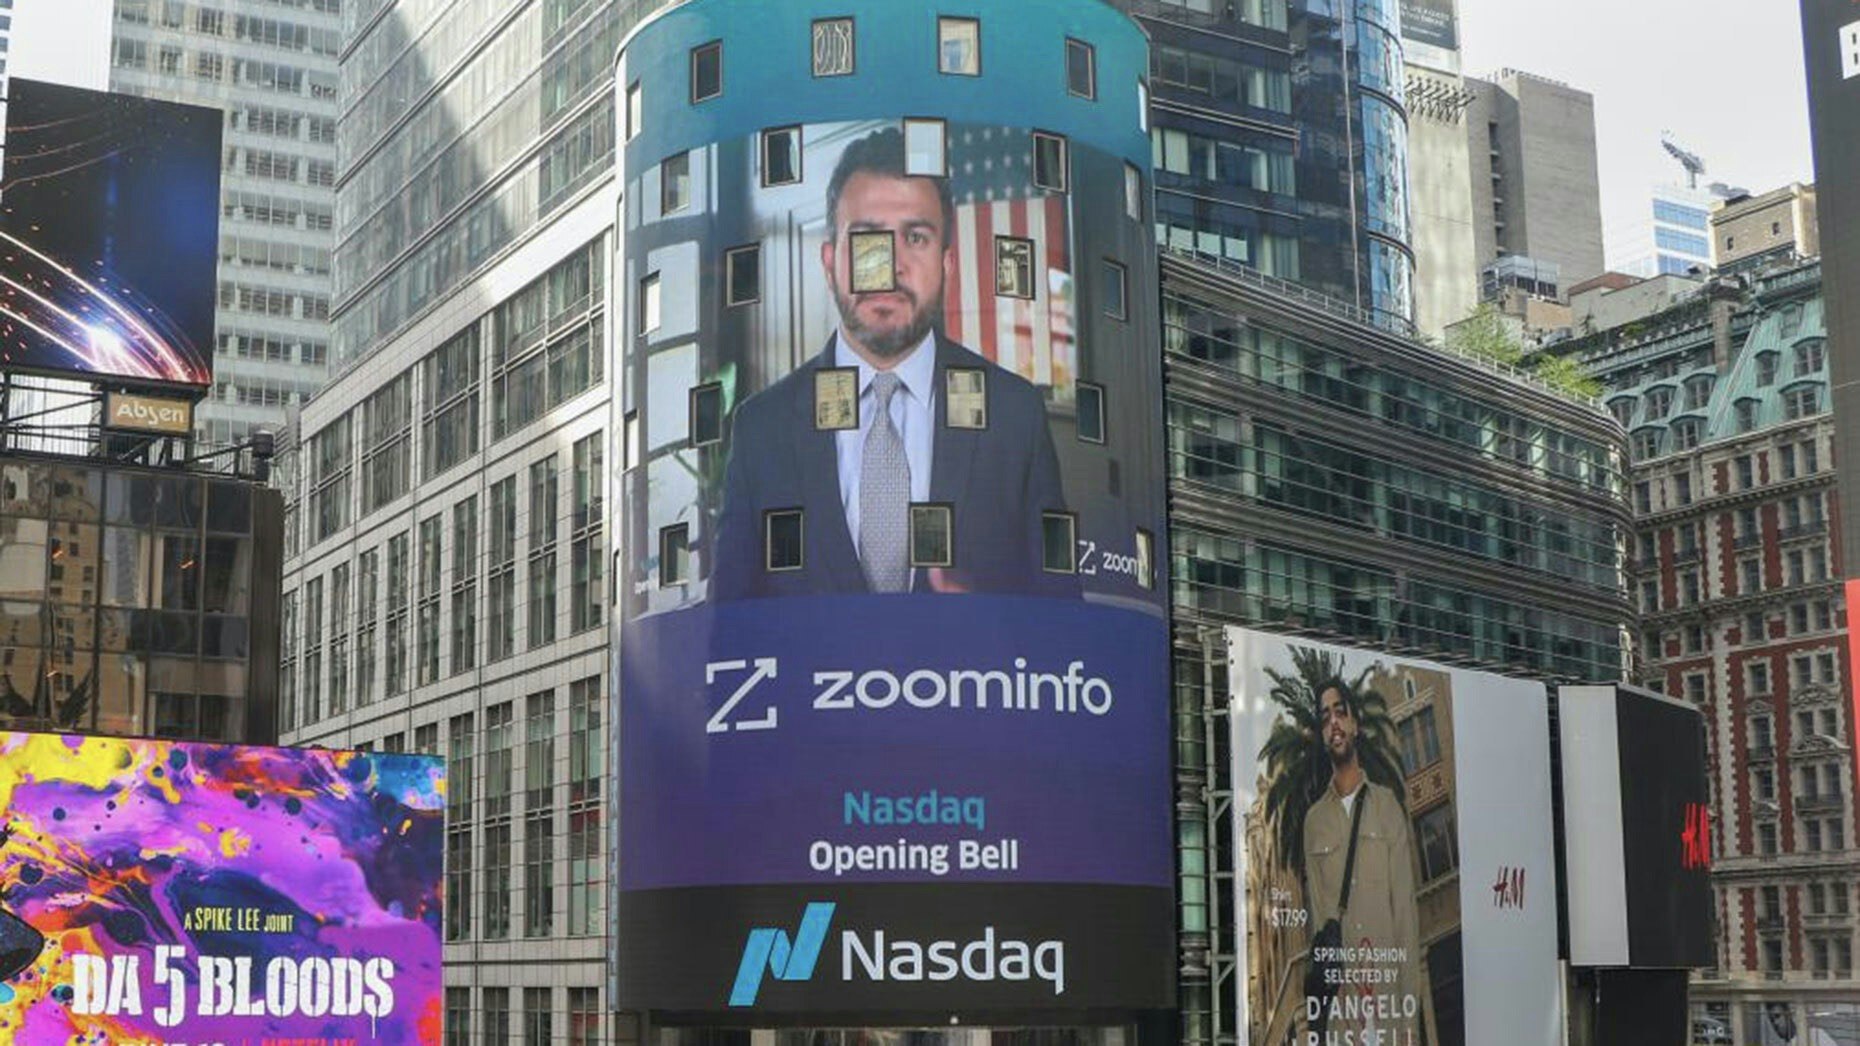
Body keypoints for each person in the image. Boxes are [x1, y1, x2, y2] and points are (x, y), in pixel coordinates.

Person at [710, 127, 1074, 601]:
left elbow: (1062, 617)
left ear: (946, 262)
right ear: (829, 262)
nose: (889, 264)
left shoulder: (1015, 414)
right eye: (866, 238)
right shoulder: (762, 428)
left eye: (915, 238)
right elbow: (728, 630)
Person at [1302, 679, 1427, 1044]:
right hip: (1344, 1011)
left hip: (1388, 1004)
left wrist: (1409, 1021)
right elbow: (1320, 921)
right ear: (1321, 734)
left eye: (1340, 712)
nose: (1334, 723)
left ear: (1355, 723)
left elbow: (1405, 914)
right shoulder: (1314, 822)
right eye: (1325, 718)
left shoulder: (1387, 806)